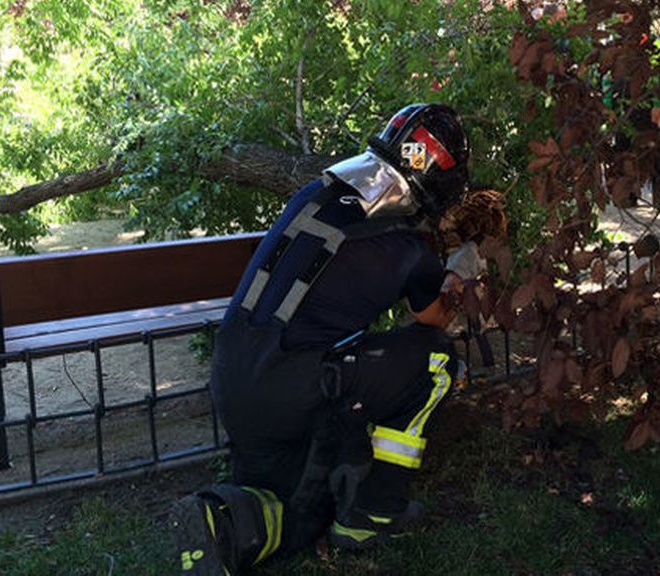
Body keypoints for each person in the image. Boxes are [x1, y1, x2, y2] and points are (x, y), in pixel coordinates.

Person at [170, 104, 482, 575]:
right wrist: (457, 274)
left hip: (236, 378)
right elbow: (432, 320)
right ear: (440, 181)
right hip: (291, 389)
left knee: (294, 505)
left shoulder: (313, 196)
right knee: (436, 362)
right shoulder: (407, 247)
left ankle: (230, 517)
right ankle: (373, 514)